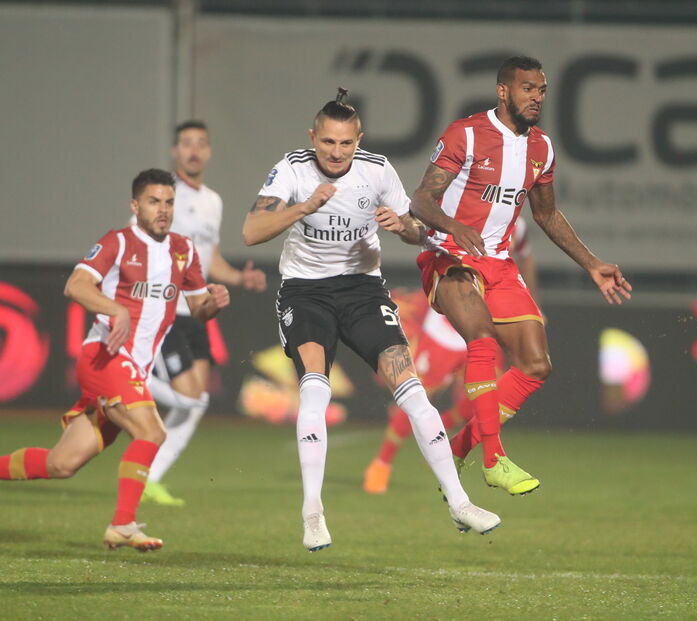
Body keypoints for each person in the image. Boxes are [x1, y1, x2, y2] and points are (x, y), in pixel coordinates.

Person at [243, 89, 501, 552]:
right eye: (327, 143)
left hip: (363, 289)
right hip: (306, 292)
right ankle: (313, 512)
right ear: (313, 137)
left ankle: (460, 504)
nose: (336, 153)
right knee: (315, 389)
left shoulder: (377, 170)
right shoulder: (292, 168)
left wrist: (403, 228)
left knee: (414, 392)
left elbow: (417, 229)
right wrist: (303, 207)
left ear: (358, 140)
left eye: (345, 144)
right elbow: (250, 232)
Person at [0, 169, 230, 551]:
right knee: (152, 432)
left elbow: (199, 309)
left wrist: (214, 304)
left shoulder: (183, 250)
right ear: (135, 206)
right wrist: (115, 309)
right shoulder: (117, 242)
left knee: (62, 464)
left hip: (133, 370)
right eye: (154, 202)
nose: (164, 210)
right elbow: (76, 285)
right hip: (103, 357)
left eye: (169, 202)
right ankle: (123, 524)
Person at [410, 55, 632, 495]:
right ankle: (494, 459)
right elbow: (421, 201)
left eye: (542, 90)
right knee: (481, 337)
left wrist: (592, 263)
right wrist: (454, 226)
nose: (537, 97)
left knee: (535, 364)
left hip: (499, 264)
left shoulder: (542, 148)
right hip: (450, 257)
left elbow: (546, 215)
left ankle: (457, 448)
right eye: (528, 88)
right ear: (503, 91)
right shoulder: (467, 134)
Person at [141, 120, 267, 508]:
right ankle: (127, 382)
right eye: (186, 144)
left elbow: (209, 259)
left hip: (195, 311)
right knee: (188, 398)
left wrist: (239, 277)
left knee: (196, 403)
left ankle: (149, 478)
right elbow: (139, 244)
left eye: (200, 144)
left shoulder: (213, 201)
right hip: (163, 309)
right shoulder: (161, 195)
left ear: (208, 152)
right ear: (175, 152)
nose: (194, 150)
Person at [363, 216, 537, 494]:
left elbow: (525, 258)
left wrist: (530, 301)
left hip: (487, 325)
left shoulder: (517, 223)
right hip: (446, 330)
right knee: (416, 398)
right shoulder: (465, 209)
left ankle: (443, 435)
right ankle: (381, 464)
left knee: (483, 402)